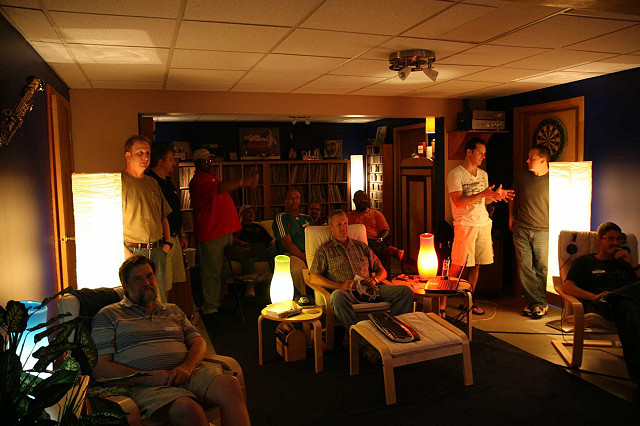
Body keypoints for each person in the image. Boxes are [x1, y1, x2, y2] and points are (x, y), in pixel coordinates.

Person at [91, 255, 250, 426]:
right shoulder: (108, 315)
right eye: (138, 278)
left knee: (230, 386)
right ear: (125, 285)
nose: (146, 282)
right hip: (145, 386)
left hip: (188, 374)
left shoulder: (172, 310)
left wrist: (187, 367)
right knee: (188, 409)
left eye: (149, 276)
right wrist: (147, 377)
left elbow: (198, 342)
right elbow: (100, 368)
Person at [309, 210, 414, 362]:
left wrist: (375, 280)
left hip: (372, 289)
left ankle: (392, 333)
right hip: (348, 293)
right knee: (337, 297)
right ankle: (363, 342)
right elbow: (313, 277)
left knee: (405, 291)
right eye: (339, 224)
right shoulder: (325, 251)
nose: (343, 228)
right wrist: (340, 285)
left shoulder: (361, 247)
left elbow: (382, 270)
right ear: (330, 227)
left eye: (345, 224)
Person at [563, 222, 640, 388]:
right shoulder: (585, 262)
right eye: (610, 238)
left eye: (619, 239)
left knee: (628, 306)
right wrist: (593, 296)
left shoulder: (625, 262)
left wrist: (632, 262)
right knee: (628, 307)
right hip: (601, 304)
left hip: (626, 304)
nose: (615, 243)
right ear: (599, 240)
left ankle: (615, 296)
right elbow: (567, 286)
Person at [446, 138, 514, 315]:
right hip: (465, 224)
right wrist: (483, 193)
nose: (483, 157)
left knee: (476, 265)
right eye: (480, 153)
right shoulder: (455, 174)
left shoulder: (483, 174)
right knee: (459, 264)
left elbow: (485, 199)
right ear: (469, 152)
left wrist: (496, 196)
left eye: (484, 154)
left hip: (483, 222)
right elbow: (459, 202)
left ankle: (469, 300)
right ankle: (442, 300)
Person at [189, 148, 258, 317]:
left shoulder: (211, 178)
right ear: (197, 164)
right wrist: (243, 181)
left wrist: (233, 230)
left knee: (222, 271)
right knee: (211, 271)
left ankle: (217, 303)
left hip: (223, 233)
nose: (209, 164)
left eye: (210, 161)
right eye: (205, 161)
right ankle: (210, 307)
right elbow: (221, 188)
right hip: (212, 234)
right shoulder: (198, 181)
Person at [121, 135, 172, 302]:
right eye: (140, 153)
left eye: (148, 153)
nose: (145, 157)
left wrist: (167, 243)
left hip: (157, 249)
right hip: (134, 250)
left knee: (159, 297)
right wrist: (125, 252)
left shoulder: (152, 183)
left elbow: (163, 215)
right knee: (136, 298)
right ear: (128, 155)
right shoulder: (119, 182)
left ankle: (160, 328)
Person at [509, 145, 551, 319]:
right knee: (525, 267)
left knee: (541, 267)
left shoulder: (555, 179)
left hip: (543, 229)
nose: (527, 161)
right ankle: (538, 304)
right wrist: (511, 217)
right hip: (521, 228)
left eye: (531, 158)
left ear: (543, 160)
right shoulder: (522, 178)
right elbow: (512, 197)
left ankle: (535, 303)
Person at [147, 143, 189, 299]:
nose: (174, 163)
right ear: (160, 161)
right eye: (171, 159)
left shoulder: (168, 182)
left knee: (175, 280)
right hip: (164, 241)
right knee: (164, 283)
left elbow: (175, 211)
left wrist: (182, 233)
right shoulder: (151, 182)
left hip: (175, 237)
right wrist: (166, 241)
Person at [347, 190, 404, 274]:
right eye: (359, 199)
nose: (363, 201)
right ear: (354, 201)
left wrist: (380, 241)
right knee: (364, 244)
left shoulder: (375, 214)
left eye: (365, 198)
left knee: (372, 244)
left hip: (374, 241)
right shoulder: (348, 216)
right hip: (356, 244)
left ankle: (386, 278)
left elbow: (386, 231)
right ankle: (388, 250)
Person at [272, 189, 315, 297]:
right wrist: (303, 257)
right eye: (291, 198)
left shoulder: (307, 218)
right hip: (291, 254)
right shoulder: (281, 218)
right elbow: (287, 243)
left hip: (310, 254)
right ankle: (304, 297)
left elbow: (316, 238)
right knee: (299, 270)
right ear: (285, 201)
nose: (294, 201)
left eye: (297, 198)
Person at [233, 204, 276, 297]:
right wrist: (241, 242)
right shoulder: (237, 227)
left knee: (274, 250)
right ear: (241, 214)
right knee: (248, 254)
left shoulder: (259, 227)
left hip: (262, 252)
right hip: (247, 251)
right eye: (248, 212)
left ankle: (275, 281)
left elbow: (271, 241)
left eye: (253, 212)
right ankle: (250, 286)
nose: (251, 214)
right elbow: (230, 239)